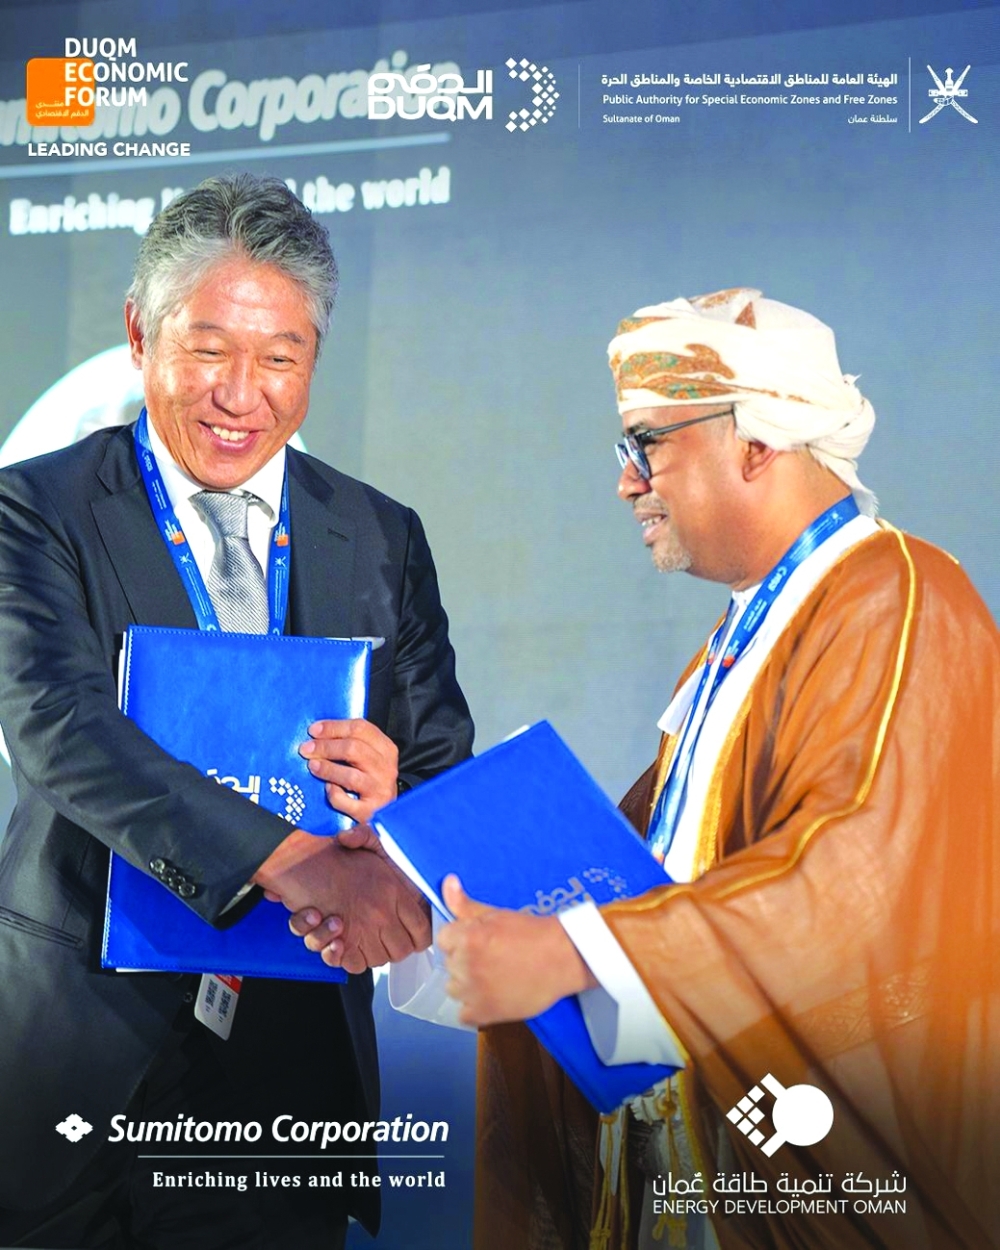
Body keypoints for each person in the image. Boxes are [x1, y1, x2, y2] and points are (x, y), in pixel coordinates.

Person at [428, 289, 998, 1249]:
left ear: (759, 441)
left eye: (647, 442)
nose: (626, 481)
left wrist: (569, 954)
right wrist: (428, 896)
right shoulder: (742, 640)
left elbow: (855, 881)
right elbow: (633, 873)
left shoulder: (899, 594)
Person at [0, 172, 473, 1250]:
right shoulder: (37, 506)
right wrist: (295, 856)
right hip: (79, 1039)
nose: (240, 393)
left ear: (314, 357)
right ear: (139, 331)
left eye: (280, 357)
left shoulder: (379, 532)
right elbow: (57, 727)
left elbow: (443, 760)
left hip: (285, 1059)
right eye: (209, 349)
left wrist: (390, 814)